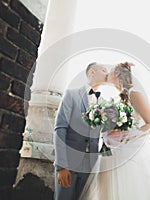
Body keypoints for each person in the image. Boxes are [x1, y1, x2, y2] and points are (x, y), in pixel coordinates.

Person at [80, 62, 150, 199]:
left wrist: (127, 136)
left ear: (116, 74)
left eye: (109, 71)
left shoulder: (134, 93)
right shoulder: (118, 98)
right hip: (112, 152)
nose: (107, 74)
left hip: (128, 153)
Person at [54, 62, 108, 200]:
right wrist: (61, 166)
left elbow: (108, 134)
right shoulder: (71, 95)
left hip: (91, 166)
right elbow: (60, 129)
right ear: (92, 72)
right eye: (103, 70)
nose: (107, 73)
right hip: (69, 163)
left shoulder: (105, 103)